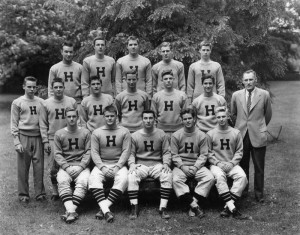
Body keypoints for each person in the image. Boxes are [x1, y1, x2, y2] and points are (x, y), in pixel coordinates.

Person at [231, 69, 272, 202]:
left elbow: (268, 114)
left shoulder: (264, 95)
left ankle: (259, 194)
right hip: (242, 135)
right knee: (243, 165)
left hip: (258, 135)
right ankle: (243, 192)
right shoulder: (236, 95)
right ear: (242, 82)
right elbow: (233, 114)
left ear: (255, 80)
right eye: (246, 80)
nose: (248, 82)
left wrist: (260, 127)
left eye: (251, 79)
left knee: (259, 167)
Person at [89, 105, 131, 223]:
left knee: (124, 179)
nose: (109, 118)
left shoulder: (124, 131)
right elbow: (94, 152)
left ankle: (103, 208)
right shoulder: (97, 132)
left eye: (112, 116)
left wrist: (118, 166)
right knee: (93, 178)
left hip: (119, 164)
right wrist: (102, 167)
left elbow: (126, 151)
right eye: (107, 116)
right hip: (102, 164)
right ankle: (107, 211)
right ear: (104, 117)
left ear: (116, 116)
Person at [127, 110, 172, 220]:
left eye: (150, 118)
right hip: (141, 165)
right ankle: (134, 207)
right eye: (145, 118)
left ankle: (163, 207)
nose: (148, 121)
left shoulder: (161, 134)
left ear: (155, 120)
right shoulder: (135, 136)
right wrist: (132, 164)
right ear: (142, 120)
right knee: (132, 175)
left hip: (156, 164)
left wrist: (166, 163)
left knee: (167, 174)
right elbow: (131, 153)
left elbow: (166, 152)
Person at [171, 107, 215, 218]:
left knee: (209, 177)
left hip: (197, 166)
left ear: (194, 119)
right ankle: (195, 206)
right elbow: (174, 155)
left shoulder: (201, 135)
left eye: (190, 118)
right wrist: (182, 167)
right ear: (181, 120)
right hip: (182, 166)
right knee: (176, 179)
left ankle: (192, 204)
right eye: (185, 119)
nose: (188, 121)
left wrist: (195, 167)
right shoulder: (176, 135)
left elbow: (204, 154)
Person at [207, 106, 248, 219]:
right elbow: (209, 153)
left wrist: (232, 163)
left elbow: (239, 151)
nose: (221, 119)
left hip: (231, 164)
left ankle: (227, 207)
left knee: (242, 177)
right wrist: (218, 163)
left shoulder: (236, 132)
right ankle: (232, 208)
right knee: (219, 177)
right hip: (217, 165)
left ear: (228, 117)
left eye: (223, 116)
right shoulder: (210, 134)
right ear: (215, 118)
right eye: (218, 117)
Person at [40, 77, 77, 200]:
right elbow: (43, 123)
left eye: (60, 87)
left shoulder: (71, 101)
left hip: (69, 136)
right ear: (52, 88)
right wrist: (45, 141)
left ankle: (69, 189)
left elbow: (77, 119)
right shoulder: (46, 103)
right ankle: (56, 192)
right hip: (52, 138)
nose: (58, 89)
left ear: (64, 87)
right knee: (53, 166)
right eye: (56, 87)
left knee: (70, 162)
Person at [11, 76, 46, 202]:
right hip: (24, 135)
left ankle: (40, 193)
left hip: (38, 136)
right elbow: (14, 123)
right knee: (23, 167)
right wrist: (16, 141)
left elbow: (44, 121)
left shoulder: (41, 102)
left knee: (39, 165)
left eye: (34, 87)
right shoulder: (17, 102)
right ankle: (23, 194)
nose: (32, 89)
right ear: (24, 86)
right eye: (29, 86)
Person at [54, 108, 91, 223]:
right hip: (67, 167)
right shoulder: (59, 134)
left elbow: (88, 151)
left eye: (73, 116)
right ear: (65, 118)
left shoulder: (85, 132)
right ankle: (72, 211)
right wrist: (66, 167)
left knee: (83, 182)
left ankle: (69, 211)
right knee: (62, 181)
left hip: (82, 166)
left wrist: (81, 167)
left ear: (77, 118)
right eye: (69, 116)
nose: (71, 119)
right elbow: (57, 154)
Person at [152, 69, 187, 136]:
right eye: (165, 79)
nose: (168, 81)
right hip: (161, 131)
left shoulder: (181, 95)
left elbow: (186, 114)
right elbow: (154, 115)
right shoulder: (156, 96)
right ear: (162, 81)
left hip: (178, 130)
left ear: (173, 80)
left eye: (170, 78)